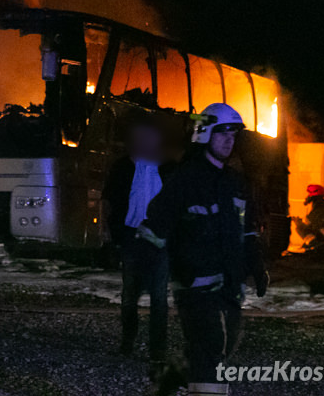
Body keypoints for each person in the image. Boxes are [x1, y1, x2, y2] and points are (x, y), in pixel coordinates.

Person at [138, 103, 268, 396]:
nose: (229, 140)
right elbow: (156, 226)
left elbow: (247, 230)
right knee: (210, 351)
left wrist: (257, 265)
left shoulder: (235, 183)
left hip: (230, 286)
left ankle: (170, 379)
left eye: (233, 135)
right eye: (222, 133)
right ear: (205, 133)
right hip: (195, 287)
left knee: (222, 347)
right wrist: (154, 266)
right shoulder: (186, 179)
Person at [103, 116, 173, 371]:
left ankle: (157, 352)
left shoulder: (168, 168)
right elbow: (111, 200)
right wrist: (115, 235)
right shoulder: (123, 167)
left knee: (158, 299)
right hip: (133, 237)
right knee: (130, 296)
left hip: (158, 241)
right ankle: (128, 340)